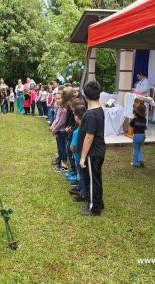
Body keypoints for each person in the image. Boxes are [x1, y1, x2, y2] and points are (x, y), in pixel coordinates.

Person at [78, 81, 106, 216]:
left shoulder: (91, 114)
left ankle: (94, 208)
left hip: (93, 153)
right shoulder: (99, 110)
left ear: (86, 96)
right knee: (96, 178)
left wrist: (83, 157)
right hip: (99, 150)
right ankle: (98, 202)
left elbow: (89, 137)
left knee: (92, 180)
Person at [69, 103, 87, 202]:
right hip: (85, 156)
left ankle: (83, 194)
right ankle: (80, 188)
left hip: (78, 156)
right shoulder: (86, 129)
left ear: (76, 117)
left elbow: (72, 146)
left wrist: (73, 150)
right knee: (82, 175)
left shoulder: (77, 131)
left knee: (81, 175)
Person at [50, 91, 68, 171]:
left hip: (62, 131)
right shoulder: (59, 108)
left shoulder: (64, 110)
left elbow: (61, 122)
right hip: (58, 130)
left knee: (62, 147)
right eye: (56, 98)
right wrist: (52, 126)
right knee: (59, 147)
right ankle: (60, 160)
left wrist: (54, 129)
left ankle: (64, 164)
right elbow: (56, 118)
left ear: (63, 99)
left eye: (59, 98)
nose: (57, 100)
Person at [130, 103, 147, 168]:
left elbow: (131, 124)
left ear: (136, 113)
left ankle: (135, 163)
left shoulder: (135, 119)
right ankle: (140, 160)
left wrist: (134, 118)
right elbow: (144, 128)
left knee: (135, 149)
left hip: (136, 136)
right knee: (139, 148)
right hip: (143, 136)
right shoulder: (144, 120)